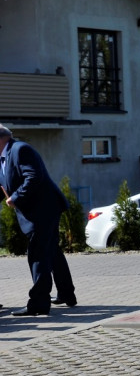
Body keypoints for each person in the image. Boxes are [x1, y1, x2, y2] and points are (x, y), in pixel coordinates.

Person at [0, 125, 77, 316]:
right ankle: (67, 294)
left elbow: (34, 177)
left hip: (44, 209)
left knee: (38, 254)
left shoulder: (20, 150)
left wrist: (15, 198)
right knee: (51, 252)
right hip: (36, 210)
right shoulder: (3, 157)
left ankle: (38, 304)